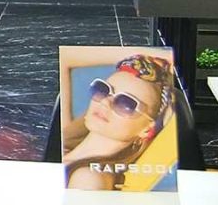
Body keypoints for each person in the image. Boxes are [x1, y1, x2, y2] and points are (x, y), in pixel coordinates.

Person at [60, 54, 179, 191]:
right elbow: (63, 58)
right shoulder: (64, 143)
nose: (105, 102)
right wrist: (158, 54)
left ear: (146, 129)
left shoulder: (89, 179)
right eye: (103, 89)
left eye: (126, 103)